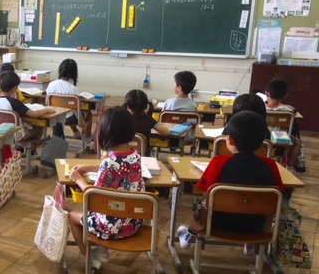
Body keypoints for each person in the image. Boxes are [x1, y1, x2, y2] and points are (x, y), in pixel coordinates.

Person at [177, 111, 284, 252]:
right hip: (255, 227)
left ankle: (188, 237)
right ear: (261, 142)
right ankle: (250, 244)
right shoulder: (270, 165)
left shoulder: (218, 162)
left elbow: (206, 193)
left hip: (216, 224)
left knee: (201, 207)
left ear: (230, 140)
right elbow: (277, 196)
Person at [67, 106, 146, 269]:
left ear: (105, 134)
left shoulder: (109, 164)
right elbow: (117, 165)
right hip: (133, 222)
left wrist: (78, 179)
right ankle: (101, 250)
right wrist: (88, 167)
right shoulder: (136, 155)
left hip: (111, 228)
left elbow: (93, 196)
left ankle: (89, 259)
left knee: (73, 216)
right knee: (108, 208)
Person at [0, 71, 54, 152]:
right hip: (16, 135)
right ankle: (32, 151)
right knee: (39, 127)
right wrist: (47, 109)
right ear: (14, 89)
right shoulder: (15, 103)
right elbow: (34, 114)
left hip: (0, 133)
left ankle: (19, 148)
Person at [46, 58, 92, 141]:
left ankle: (76, 132)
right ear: (74, 73)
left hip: (54, 116)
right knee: (87, 112)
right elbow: (75, 110)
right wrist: (83, 125)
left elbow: (47, 102)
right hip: (68, 119)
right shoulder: (73, 89)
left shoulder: (51, 84)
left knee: (68, 109)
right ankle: (88, 136)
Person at [265, 79, 304, 172]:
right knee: (297, 142)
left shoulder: (260, 107)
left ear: (267, 93)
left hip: (263, 137)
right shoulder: (289, 111)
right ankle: (290, 167)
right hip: (280, 140)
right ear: (286, 95)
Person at [124, 89, 156, 155]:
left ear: (127, 106)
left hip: (123, 156)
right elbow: (166, 132)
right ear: (146, 105)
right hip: (143, 157)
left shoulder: (121, 119)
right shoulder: (148, 120)